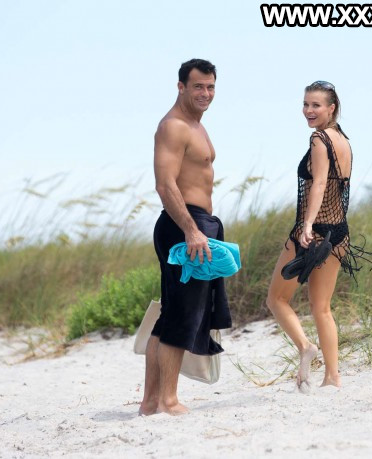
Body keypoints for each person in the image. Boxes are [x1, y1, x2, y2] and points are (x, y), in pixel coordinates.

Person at [266, 81, 372, 390]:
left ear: (332, 108)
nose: (308, 111)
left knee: (276, 299)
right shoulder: (343, 141)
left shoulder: (319, 138)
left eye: (316, 105)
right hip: (339, 233)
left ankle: (305, 347)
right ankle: (332, 377)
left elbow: (319, 184)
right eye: (305, 104)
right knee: (322, 308)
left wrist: (307, 225)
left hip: (314, 233)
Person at [140, 59, 232, 416]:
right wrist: (192, 230)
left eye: (210, 87)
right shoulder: (174, 127)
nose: (205, 93)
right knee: (182, 316)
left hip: (196, 222)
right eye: (198, 86)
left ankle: (151, 402)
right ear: (181, 87)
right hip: (183, 225)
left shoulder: (196, 125)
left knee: (171, 315)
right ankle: (168, 400)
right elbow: (165, 185)